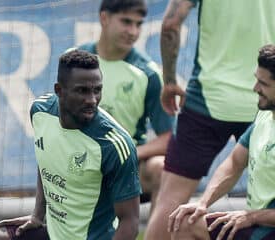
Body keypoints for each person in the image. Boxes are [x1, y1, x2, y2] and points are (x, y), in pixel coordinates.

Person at [0, 50, 141, 240]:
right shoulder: (40, 111)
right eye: (82, 91)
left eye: (97, 90)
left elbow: (130, 222)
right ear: (59, 90)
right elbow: (47, 160)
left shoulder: (114, 145)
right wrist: (38, 214)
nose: (92, 100)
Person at [145, 0, 275, 239]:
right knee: (191, 216)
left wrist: (171, 81)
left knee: (171, 202)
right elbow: (234, 164)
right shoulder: (262, 100)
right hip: (262, 100)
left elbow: (171, 24)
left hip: (207, 99)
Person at [168, 44, 275, 240]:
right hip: (258, 223)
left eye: (264, 84)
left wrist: (252, 217)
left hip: (265, 225)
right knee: (185, 222)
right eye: (256, 80)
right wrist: (203, 203)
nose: (255, 88)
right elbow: (234, 163)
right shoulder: (264, 116)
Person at [78, 0, 174, 209]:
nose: (133, 31)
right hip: (78, 162)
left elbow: (169, 139)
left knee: (163, 169)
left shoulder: (148, 73)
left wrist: (129, 152)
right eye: (126, 22)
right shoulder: (75, 61)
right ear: (104, 18)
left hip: (126, 168)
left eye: (138, 24)